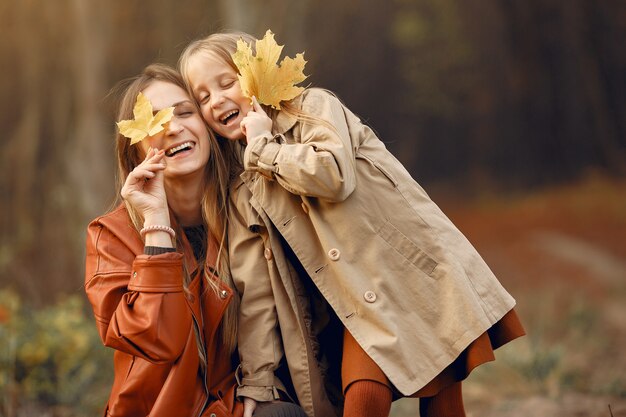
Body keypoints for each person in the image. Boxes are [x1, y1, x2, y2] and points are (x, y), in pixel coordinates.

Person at [179, 32, 526, 417]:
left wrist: (264, 148)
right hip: (344, 310)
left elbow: (333, 176)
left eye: (227, 83)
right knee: (364, 397)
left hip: (404, 279)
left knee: (439, 400)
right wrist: (258, 381)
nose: (217, 100)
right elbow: (256, 293)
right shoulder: (243, 191)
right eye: (202, 97)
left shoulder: (312, 109)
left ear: (256, 72)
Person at [84, 63, 306, 417]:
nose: (173, 128)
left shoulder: (250, 210)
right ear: (135, 151)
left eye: (185, 112)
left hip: (238, 403)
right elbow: (157, 342)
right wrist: (156, 225)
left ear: (208, 126)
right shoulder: (110, 236)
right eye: (155, 123)